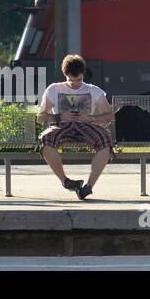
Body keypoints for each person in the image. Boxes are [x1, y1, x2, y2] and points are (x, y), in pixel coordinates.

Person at [38, 54, 114, 200]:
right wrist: (59, 117)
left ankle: (88, 187)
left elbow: (109, 116)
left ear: (83, 74)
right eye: (70, 80)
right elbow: (41, 117)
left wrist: (90, 118)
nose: (75, 84)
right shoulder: (54, 89)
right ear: (65, 75)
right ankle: (66, 181)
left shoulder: (94, 90)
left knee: (105, 139)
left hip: (86, 125)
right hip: (61, 126)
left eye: (78, 79)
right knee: (45, 138)